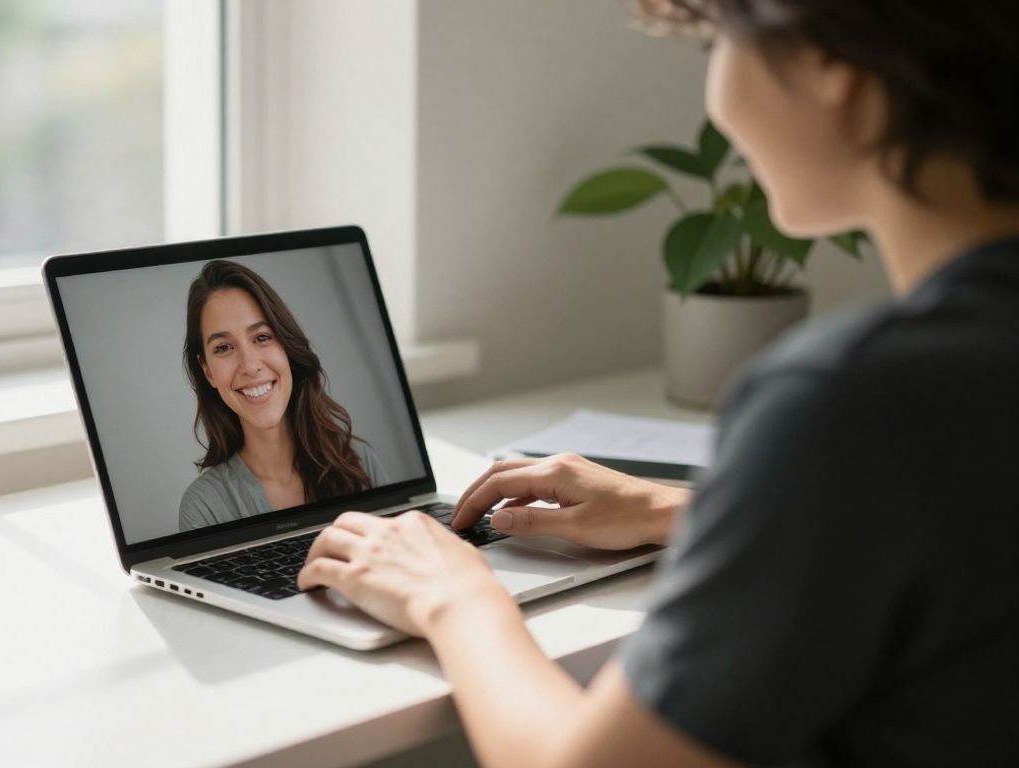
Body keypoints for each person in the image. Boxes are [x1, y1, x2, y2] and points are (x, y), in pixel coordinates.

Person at [298, 1, 1019, 766]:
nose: (716, 92)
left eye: (717, 41)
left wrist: (454, 595)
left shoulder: (853, 401)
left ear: (831, 67)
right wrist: (684, 511)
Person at [178, 260, 388, 531]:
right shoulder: (203, 507)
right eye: (224, 347)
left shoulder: (358, 461)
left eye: (262, 337)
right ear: (208, 372)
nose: (250, 365)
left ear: (287, 347)